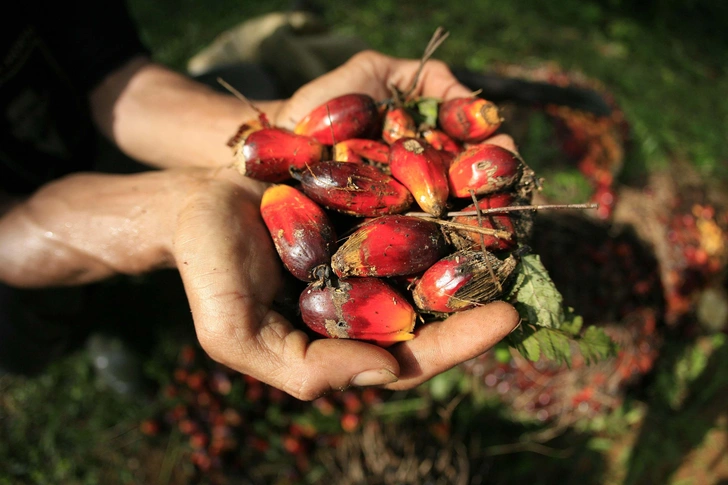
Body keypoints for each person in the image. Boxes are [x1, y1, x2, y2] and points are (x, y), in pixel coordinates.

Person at [0, 0, 519, 400]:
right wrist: (172, 213)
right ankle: (100, 323)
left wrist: (253, 158)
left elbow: (116, 80)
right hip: (15, 247)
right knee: (31, 327)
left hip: (87, 138)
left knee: (248, 82)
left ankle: (118, 303)